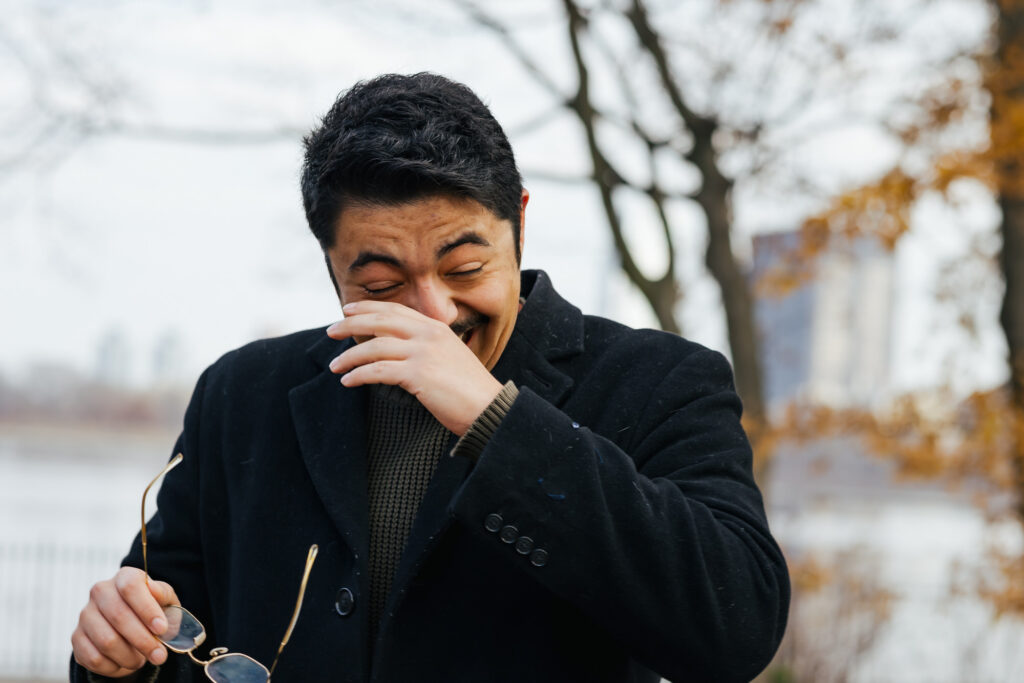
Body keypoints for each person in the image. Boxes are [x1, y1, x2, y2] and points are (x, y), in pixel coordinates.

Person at [70, 72, 789, 683]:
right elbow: (160, 623)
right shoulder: (241, 394)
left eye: (464, 268)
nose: (433, 313)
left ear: (520, 225)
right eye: (382, 281)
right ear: (331, 264)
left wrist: (495, 418)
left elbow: (737, 626)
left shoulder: (660, 380)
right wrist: (116, 649)